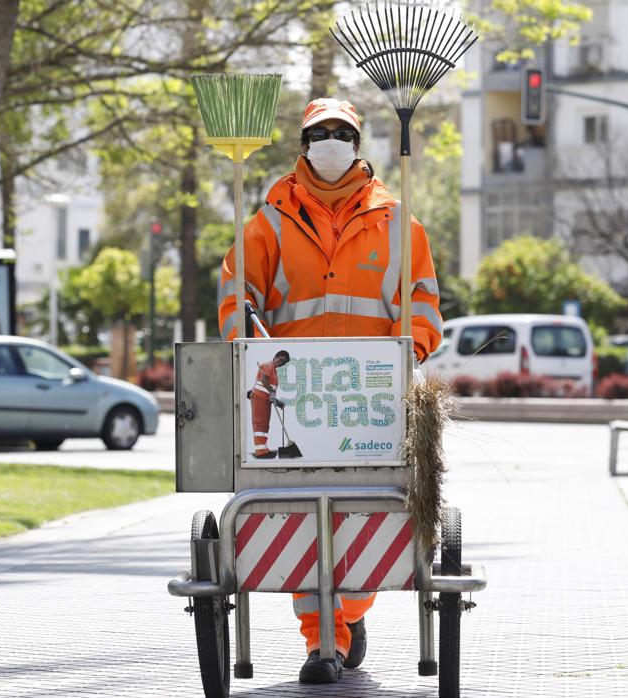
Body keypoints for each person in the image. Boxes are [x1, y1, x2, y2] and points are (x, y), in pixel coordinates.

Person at [216, 98, 443, 684]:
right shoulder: (267, 222)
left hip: (368, 404)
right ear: (303, 142)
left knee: (362, 516)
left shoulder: (400, 222)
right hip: (299, 396)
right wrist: (242, 331)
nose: (332, 142)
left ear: (359, 143)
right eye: (321, 133)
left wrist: (411, 346)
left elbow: (422, 302)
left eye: (343, 132)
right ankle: (325, 640)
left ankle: (346, 619)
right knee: (300, 520)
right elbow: (235, 295)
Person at [248, 350, 290, 458]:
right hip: (260, 399)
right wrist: (271, 391)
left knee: (265, 425)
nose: (280, 363)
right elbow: (263, 380)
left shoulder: (274, 370)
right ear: (276, 357)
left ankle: (263, 449)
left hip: (265, 400)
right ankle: (261, 451)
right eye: (280, 360)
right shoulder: (269, 365)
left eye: (283, 363)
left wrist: (277, 402)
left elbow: (271, 391)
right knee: (260, 423)